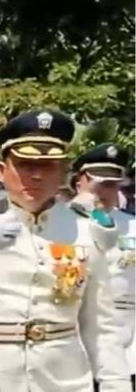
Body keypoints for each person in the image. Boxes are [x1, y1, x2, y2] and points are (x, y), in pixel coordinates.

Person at [0, 110, 129, 392]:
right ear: (2, 171)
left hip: (61, 380)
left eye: (48, 165)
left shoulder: (85, 229)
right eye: (25, 165)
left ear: (63, 173)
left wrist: (116, 383)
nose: (36, 176)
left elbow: (100, 323)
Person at [72, 143, 136, 387]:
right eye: (98, 183)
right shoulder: (59, 225)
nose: (104, 192)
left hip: (127, 344)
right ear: (79, 182)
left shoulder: (132, 226)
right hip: (71, 341)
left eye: (111, 184)